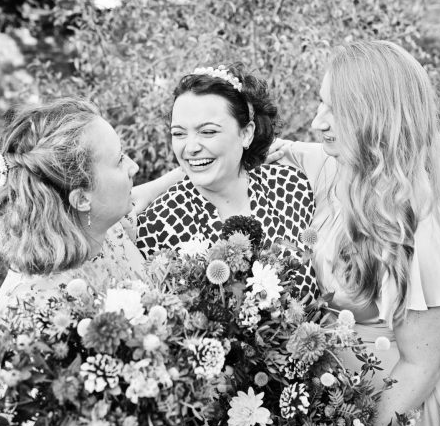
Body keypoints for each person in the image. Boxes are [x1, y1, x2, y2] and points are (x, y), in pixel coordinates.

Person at [269, 41, 440, 426]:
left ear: (375, 117)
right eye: (321, 103)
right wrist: (156, 191)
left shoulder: (414, 222)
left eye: (335, 110)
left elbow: (421, 365)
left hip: (409, 410)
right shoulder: (335, 164)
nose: (317, 122)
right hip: (355, 399)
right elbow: (240, 153)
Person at [0, 98, 151, 426]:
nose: (134, 167)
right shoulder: (35, 322)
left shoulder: (105, 231)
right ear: (82, 198)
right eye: (119, 160)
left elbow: (141, 197)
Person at [135, 63, 319, 298]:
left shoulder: (291, 187)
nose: (190, 148)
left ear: (246, 133)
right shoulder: (158, 222)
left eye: (208, 132)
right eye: (178, 133)